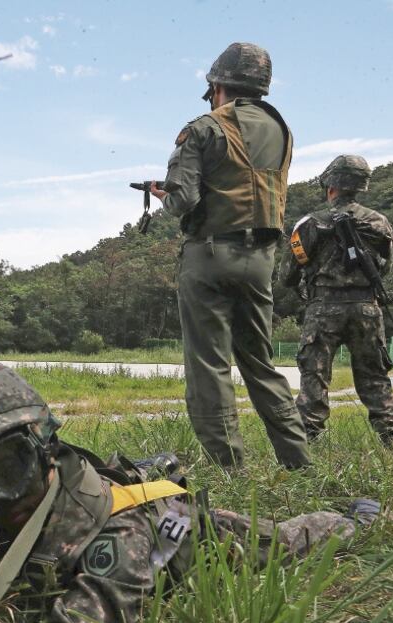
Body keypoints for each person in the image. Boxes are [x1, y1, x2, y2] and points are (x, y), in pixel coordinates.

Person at [0, 361, 377, 623]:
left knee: (284, 542)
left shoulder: (119, 538)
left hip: (180, 532)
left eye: (9, 467)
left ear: (44, 445)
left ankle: (354, 520)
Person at [150, 42, 309, 469]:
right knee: (260, 363)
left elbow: (184, 200)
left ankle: (228, 469)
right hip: (261, 260)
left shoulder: (203, 128)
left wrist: (163, 196)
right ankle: (298, 460)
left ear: (217, 86)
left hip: (210, 254)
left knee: (209, 365)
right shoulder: (282, 129)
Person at [281, 155, 393, 445]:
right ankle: (391, 438)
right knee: (375, 377)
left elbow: (287, 274)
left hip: (323, 309)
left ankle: (308, 440)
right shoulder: (380, 223)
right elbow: (384, 268)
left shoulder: (311, 223)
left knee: (314, 376)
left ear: (330, 185)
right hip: (367, 308)